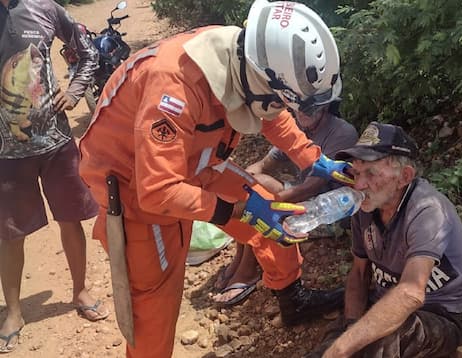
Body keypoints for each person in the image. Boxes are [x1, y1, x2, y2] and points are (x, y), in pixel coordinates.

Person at [78, 1, 352, 356]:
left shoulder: (247, 61)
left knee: (274, 216)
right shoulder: (173, 87)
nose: (283, 110)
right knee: (156, 301)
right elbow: (158, 190)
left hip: (197, 160)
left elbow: (272, 114)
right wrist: (238, 210)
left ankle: (292, 299)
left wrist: (316, 160)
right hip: (135, 188)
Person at [307, 122, 462, 358]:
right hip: (383, 303)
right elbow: (359, 273)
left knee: (381, 343)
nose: (360, 184)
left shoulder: (427, 210)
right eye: (357, 173)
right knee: (334, 343)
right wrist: (351, 325)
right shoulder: (365, 208)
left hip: (437, 313)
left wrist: (342, 350)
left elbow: (411, 293)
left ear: (404, 177)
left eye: (371, 173)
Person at [0, 0, 106, 353]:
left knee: (71, 219)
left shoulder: (44, 8)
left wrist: (75, 92)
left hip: (57, 142)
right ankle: (13, 312)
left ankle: (80, 291)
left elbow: (87, 51)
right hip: (6, 152)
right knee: (11, 233)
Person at [211, 102, 359, 306]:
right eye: (298, 105)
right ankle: (240, 259)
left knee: (259, 202)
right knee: (249, 189)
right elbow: (265, 163)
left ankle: (248, 270)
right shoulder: (299, 127)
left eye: (310, 105)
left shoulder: (342, 132)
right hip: (303, 193)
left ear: (325, 105)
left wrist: (268, 204)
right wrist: (247, 179)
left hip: (328, 207)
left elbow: (311, 187)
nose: (302, 111)